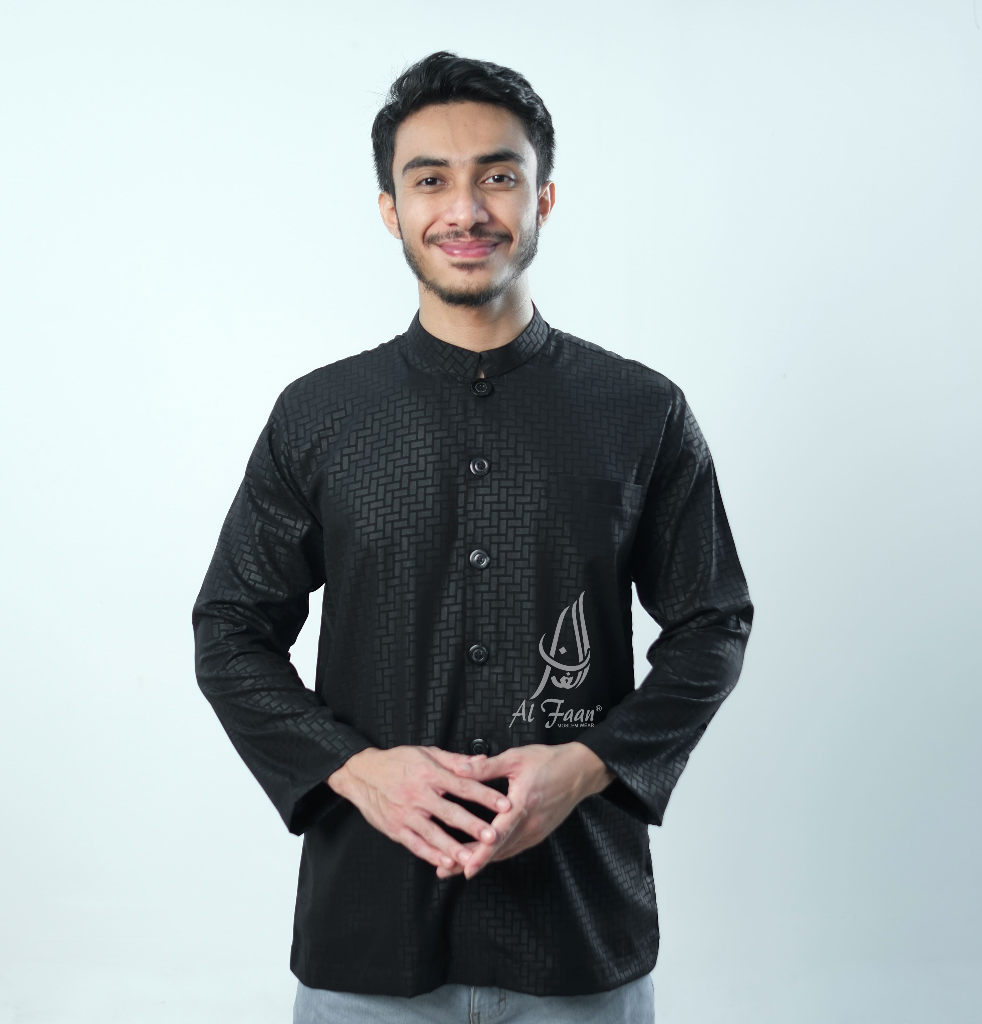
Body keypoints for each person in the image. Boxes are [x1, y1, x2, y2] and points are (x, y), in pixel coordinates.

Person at [193, 51, 753, 1023]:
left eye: (497, 175)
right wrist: (355, 769)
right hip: (368, 937)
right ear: (389, 208)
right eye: (429, 180)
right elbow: (231, 629)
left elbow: (713, 623)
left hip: (579, 933)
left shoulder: (640, 410)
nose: (465, 209)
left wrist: (586, 766)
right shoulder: (318, 417)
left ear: (543, 197)